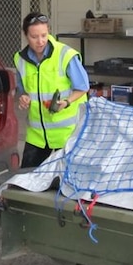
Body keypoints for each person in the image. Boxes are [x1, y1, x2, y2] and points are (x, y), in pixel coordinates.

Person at [14, 12, 90, 168]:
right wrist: (23, 98)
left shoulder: (65, 55)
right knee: (27, 180)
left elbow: (83, 87)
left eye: (44, 35)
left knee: (65, 184)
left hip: (67, 135)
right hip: (37, 136)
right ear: (25, 35)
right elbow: (23, 90)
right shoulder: (20, 59)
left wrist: (67, 102)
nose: (40, 41)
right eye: (34, 37)